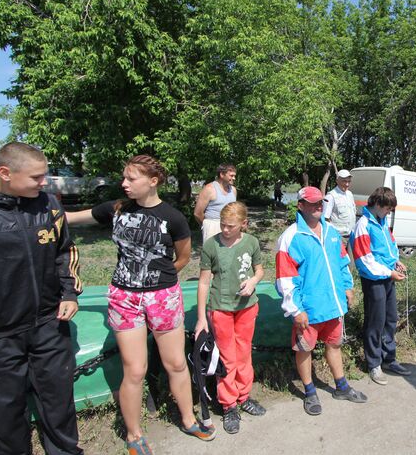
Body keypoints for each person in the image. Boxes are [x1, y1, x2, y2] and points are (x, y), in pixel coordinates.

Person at [67, 155, 215, 453]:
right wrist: (41, 211)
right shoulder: (116, 209)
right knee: (134, 370)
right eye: (124, 177)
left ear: (153, 181)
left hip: (162, 296)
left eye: (131, 178)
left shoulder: (172, 217)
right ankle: (134, 435)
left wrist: (161, 280)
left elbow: (183, 256)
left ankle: (188, 419)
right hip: (125, 298)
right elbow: (71, 218)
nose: (124, 183)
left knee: (175, 363)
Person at [0, 142, 84, 455]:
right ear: (5, 173)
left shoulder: (49, 205)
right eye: (36, 177)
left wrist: (69, 293)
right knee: (7, 413)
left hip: (49, 324)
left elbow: (65, 251)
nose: (45, 182)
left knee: (59, 403)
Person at [275, 186, 367, 416]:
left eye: (321, 202)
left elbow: (343, 262)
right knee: (304, 349)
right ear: (301, 205)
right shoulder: (291, 237)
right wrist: (296, 309)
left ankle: (341, 386)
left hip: (333, 305)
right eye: (313, 202)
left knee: (334, 345)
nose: (318, 206)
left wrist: (348, 287)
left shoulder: (332, 232)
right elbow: (285, 278)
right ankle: (309, 391)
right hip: (309, 309)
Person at [195, 201, 266, 435]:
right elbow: (204, 281)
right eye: (223, 225)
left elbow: (259, 270)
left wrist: (254, 282)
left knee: (244, 352)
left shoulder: (252, 242)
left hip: (246, 307)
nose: (225, 230)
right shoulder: (211, 245)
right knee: (227, 358)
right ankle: (229, 405)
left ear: (243, 224)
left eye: (230, 226)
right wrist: (201, 318)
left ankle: (244, 396)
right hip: (220, 308)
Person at [351, 187, 411, 385]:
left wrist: (396, 261)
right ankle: (374, 363)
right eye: (388, 208)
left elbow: (390, 245)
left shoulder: (382, 222)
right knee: (375, 321)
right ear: (377, 204)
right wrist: (389, 272)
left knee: (390, 319)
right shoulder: (363, 225)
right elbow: (365, 259)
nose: (389, 212)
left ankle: (389, 358)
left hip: (388, 277)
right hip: (374, 279)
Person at [194, 163, 237, 243]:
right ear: (222, 174)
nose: (234, 178)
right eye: (231, 175)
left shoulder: (233, 190)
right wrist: (206, 225)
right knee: (213, 254)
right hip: (213, 227)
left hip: (230, 226)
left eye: (234, 176)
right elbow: (197, 213)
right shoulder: (209, 189)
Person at [323, 169, 356, 238]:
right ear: (337, 181)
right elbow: (325, 218)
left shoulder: (350, 194)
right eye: (344, 181)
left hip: (352, 235)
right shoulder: (330, 196)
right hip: (338, 236)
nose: (347, 184)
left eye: (349, 181)